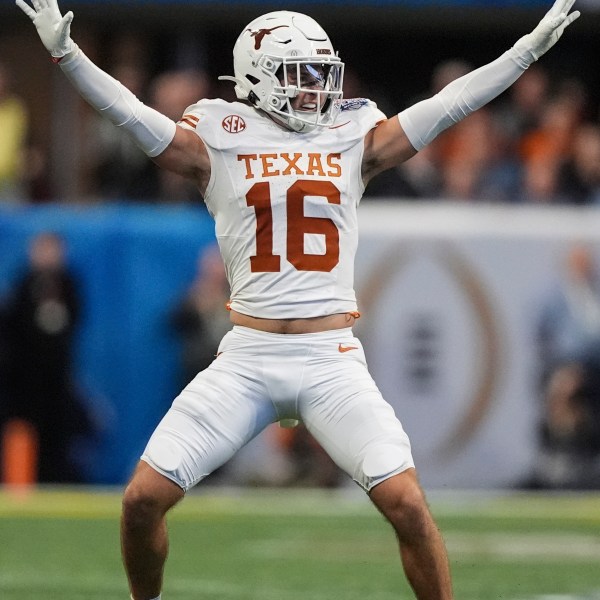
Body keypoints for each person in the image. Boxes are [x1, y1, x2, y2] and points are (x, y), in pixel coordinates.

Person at [17, 0, 580, 598]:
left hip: (330, 358)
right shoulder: (218, 136)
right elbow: (129, 114)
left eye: (319, 74)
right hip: (248, 357)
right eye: (298, 75)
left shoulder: (352, 133)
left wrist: (524, 53)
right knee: (140, 502)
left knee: (408, 505)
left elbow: (447, 108)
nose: (315, 89)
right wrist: (66, 54)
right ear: (256, 77)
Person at [0, 231, 90, 482]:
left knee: (56, 433)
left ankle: (54, 479)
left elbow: (72, 320)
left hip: (56, 379)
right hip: (24, 381)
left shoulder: (68, 285)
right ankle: (20, 479)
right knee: (22, 431)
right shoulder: (22, 284)